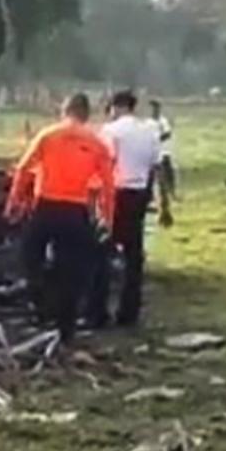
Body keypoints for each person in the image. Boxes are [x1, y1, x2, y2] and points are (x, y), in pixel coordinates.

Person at [5, 93, 115, 343]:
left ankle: (41, 307)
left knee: (29, 258)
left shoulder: (48, 135)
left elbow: (23, 169)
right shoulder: (97, 143)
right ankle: (66, 328)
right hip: (75, 211)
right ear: (86, 115)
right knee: (71, 271)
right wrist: (107, 219)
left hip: (46, 206)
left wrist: (14, 202)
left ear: (64, 110)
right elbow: (108, 187)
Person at [87, 90, 164, 328]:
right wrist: (161, 202)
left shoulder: (111, 131)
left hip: (115, 193)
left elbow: (103, 165)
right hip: (138, 194)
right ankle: (129, 313)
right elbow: (156, 167)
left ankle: (97, 313)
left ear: (116, 107)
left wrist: (95, 200)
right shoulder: (150, 131)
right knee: (133, 255)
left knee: (100, 253)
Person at [149, 99, 177, 204]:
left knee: (168, 174)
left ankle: (172, 193)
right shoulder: (149, 122)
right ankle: (152, 197)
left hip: (163, 151)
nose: (154, 110)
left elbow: (168, 133)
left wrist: (156, 139)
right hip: (153, 152)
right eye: (153, 108)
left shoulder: (162, 121)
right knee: (153, 176)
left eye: (156, 108)